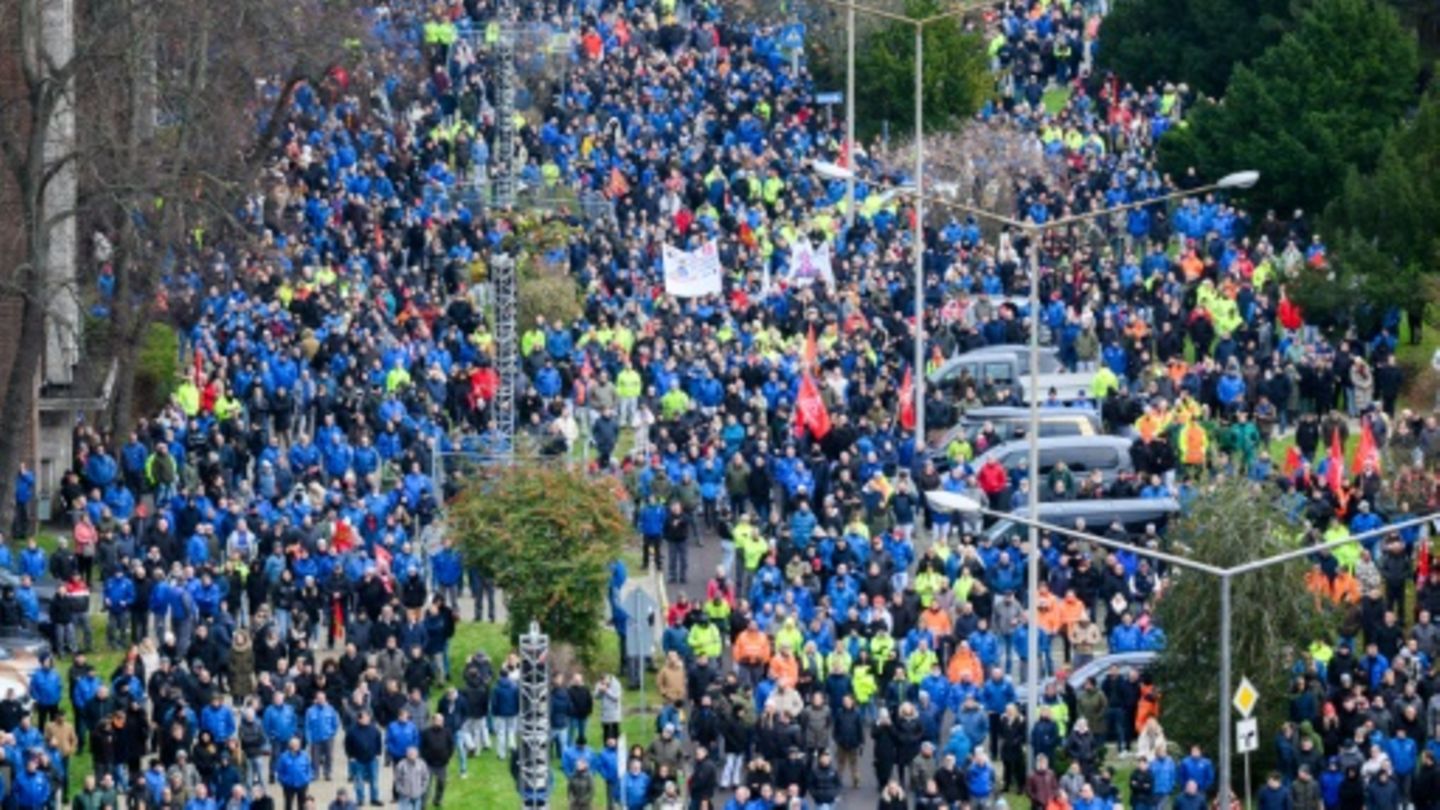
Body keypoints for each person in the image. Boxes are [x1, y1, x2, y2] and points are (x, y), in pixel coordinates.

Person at [344, 710, 383, 807]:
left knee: (374, 780)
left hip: (372, 759)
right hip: (358, 760)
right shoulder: (352, 731)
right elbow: (347, 744)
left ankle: (374, 799)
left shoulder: (374, 729)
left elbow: (379, 741)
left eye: (368, 717)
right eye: (365, 718)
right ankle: (360, 799)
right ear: (359, 719)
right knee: (359, 781)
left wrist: (378, 753)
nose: (367, 719)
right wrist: (350, 756)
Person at [419, 714, 454, 807]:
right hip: (429, 764)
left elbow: (451, 746)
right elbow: (421, 747)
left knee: (441, 784)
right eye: (438, 720)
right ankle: (423, 804)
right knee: (426, 785)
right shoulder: (426, 732)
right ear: (433, 721)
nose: (440, 722)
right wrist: (424, 758)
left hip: (442, 764)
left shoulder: (447, 732)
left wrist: (448, 757)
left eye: (441, 720)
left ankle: (437, 800)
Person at [276, 737, 313, 810]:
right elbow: (279, 770)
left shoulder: (305, 755)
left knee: (302, 805)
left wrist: (307, 779)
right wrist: (283, 781)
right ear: (290, 745)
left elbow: (309, 768)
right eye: (293, 744)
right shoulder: (284, 756)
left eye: (297, 745)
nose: (295, 746)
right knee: (288, 804)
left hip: (302, 784)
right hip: (289, 785)